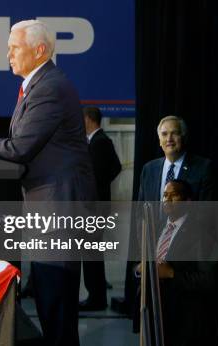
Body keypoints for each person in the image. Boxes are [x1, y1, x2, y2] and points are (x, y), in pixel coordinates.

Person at [0, 19, 95, 346]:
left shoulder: (50, 87)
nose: (8, 55)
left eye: (14, 48)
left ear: (40, 49)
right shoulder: (38, 85)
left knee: (56, 305)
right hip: (49, 204)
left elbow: (21, 147)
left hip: (59, 208)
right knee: (50, 303)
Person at [121, 115, 214, 315]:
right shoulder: (149, 169)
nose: (169, 138)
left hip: (185, 264)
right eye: (164, 134)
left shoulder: (203, 167)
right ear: (159, 140)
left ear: (183, 137)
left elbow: (205, 214)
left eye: (174, 133)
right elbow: (141, 214)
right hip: (154, 254)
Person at [134, 179, 218, 345]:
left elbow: (209, 280)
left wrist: (172, 273)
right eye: (165, 195)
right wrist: (139, 269)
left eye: (174, 195)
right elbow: (141, 263)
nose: (167, 200)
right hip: (153, 315)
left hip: (182, 321)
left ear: (188, 202)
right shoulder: (155, 227)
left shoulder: (200, 234)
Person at [79, 106, 122, 311]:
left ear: (88, 119)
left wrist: (97, 189)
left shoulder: (100, 142)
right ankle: (96, 293)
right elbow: (116, 167)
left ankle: (96, 298)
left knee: (91, 253)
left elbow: (109, 169)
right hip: (95, 206)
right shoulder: (98, 141)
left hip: (93, 208)